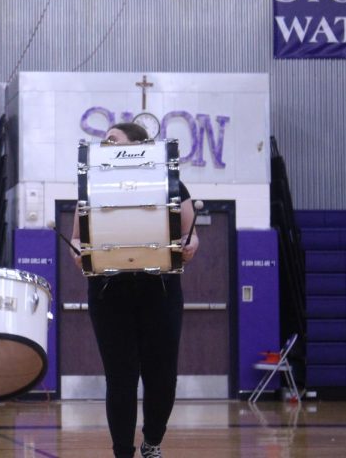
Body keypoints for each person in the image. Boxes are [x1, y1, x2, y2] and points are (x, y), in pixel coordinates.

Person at [71, 122, 199, 458]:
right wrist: (77, 253)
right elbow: (76, 237)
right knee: (121, 378)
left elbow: (191, 235)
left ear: (140, 146)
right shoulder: (92, 183)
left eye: (113, 139)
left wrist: (189, 246)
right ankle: (123, 453)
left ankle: (153, 441)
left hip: (160, 289)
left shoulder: (172, 182)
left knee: (162, 377)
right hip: (109, 291)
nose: (105, 143)